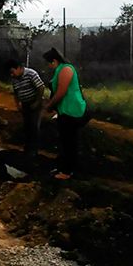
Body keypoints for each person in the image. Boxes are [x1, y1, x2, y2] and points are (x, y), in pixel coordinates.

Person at [43, 48, 87, 180]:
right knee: (65, 140)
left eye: (48, 63)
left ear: (54, 61)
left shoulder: (66, 69)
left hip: (72, 111)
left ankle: (67, 171)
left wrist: (49, 106)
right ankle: (64, 167)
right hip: (65, 111)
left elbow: (61, 92)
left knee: (69, 142)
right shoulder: (60, 70)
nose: (48, 66)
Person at [6, 59, 45, 157]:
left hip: (34, 103)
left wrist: (37, 102)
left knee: (34, 126)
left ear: (19, 68)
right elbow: (16, 92)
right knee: (27, 126)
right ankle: (27, 148)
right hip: (25, 104)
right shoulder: (14, 79)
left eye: (12, 71)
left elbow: (41, 87)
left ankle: (34, 150)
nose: (12, 74)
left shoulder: (31, 74)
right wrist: (17, 103)